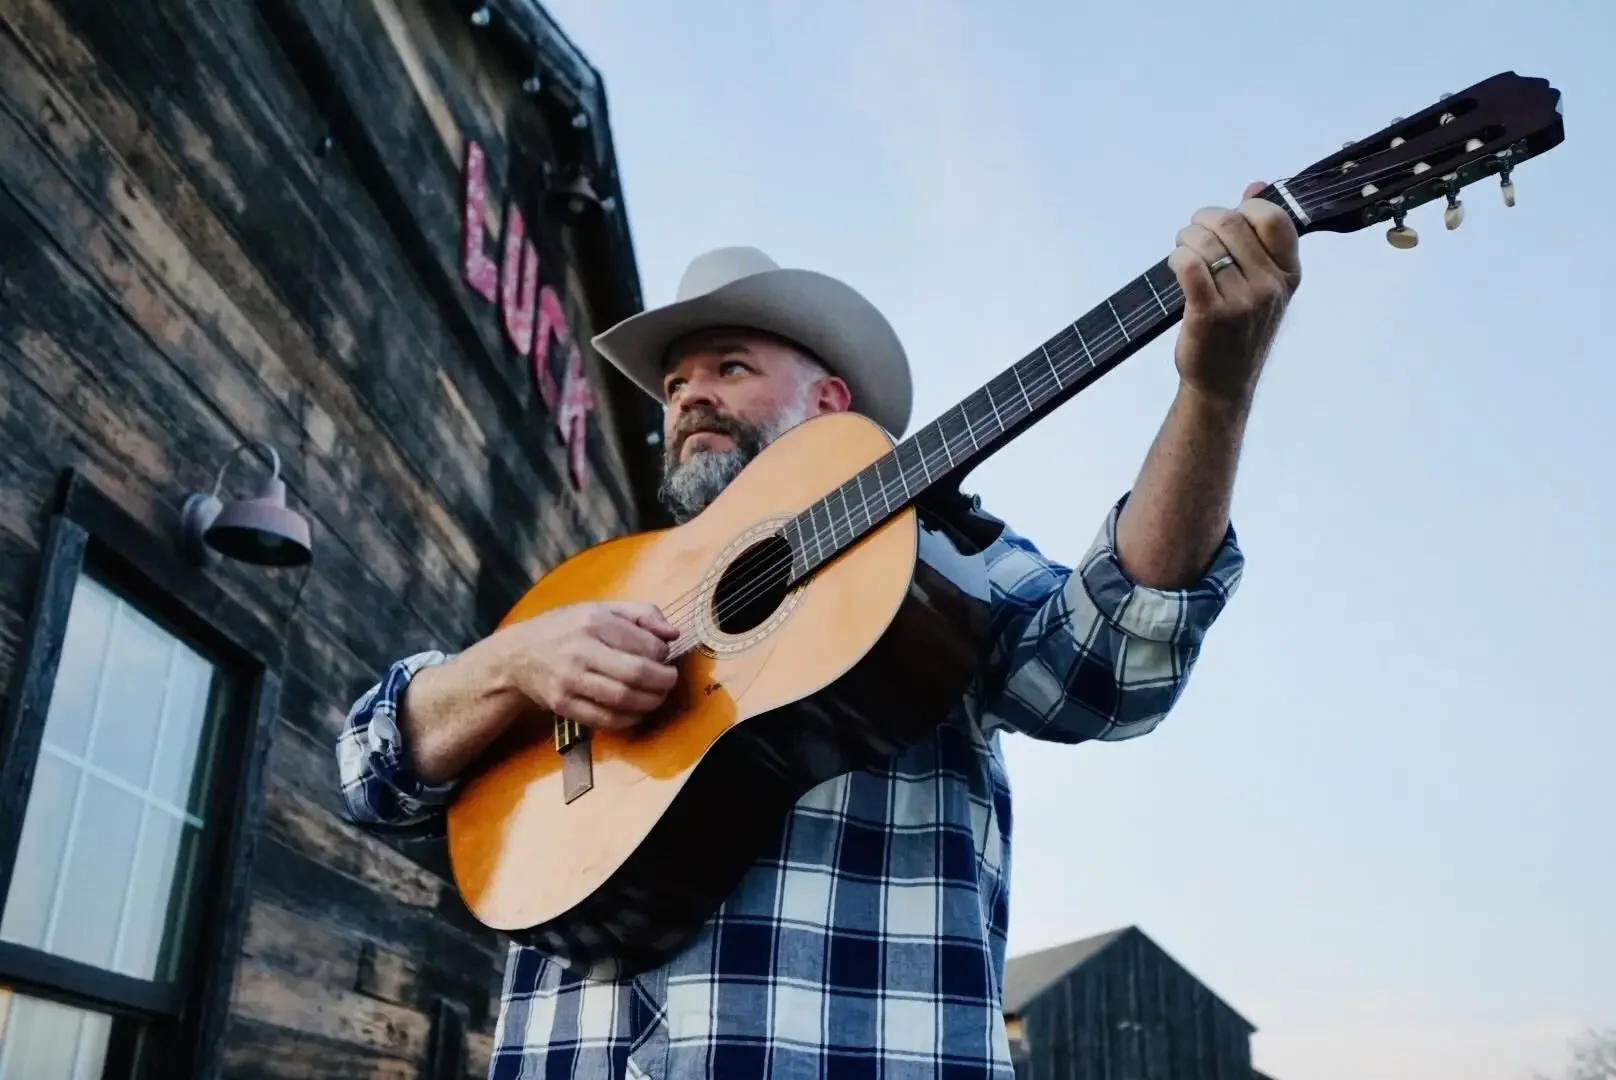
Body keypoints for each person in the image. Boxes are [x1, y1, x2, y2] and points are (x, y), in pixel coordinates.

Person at [336, 182, 1300, 1079]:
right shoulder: (606, 587)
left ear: (829, 403)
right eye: (673, 384)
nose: (689, 396)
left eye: (730, 367)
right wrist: (510, 663)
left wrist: (1212, 396)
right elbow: (372, 777)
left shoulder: (934, 558)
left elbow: (1108, 670)